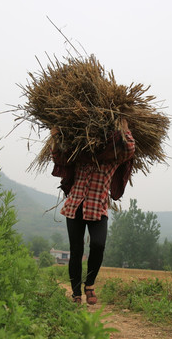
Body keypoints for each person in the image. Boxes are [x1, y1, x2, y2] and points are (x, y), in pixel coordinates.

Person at [50, 119, 135, 304]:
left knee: (98, 245)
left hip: (98, 209)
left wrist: (124, 129)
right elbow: (59, 158)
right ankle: (76, 294)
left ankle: (89, 284)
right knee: (76, 250)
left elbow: (129, 150)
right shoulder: (80, 155)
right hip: (75, 207)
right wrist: (55, 138)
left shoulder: (112, 158)